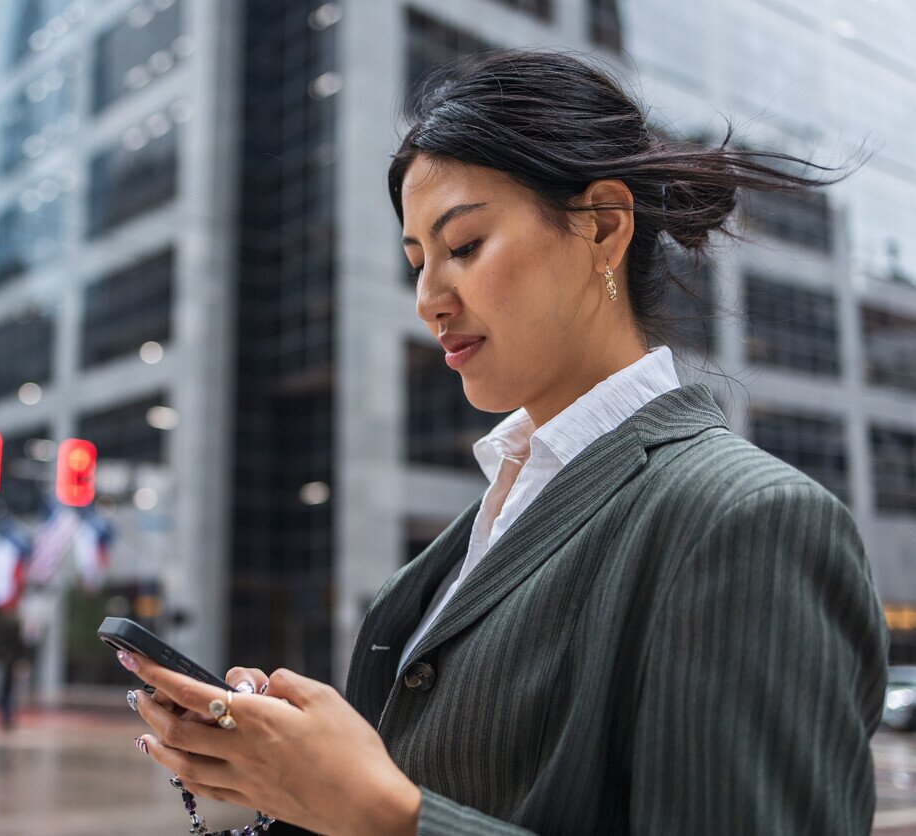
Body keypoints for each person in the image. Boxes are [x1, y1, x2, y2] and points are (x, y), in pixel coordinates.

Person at [115, 49, 888, 835]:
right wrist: (296, 768)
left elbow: (399, 812)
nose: (429, 300)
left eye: (464, 247)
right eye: (416, 262)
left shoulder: (747, 522)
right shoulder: (475, 531)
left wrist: (382, 814)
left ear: (602, 227)